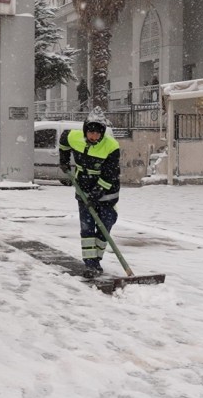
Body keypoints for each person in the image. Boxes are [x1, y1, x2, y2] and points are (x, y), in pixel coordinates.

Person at [58, 107, 121, 279]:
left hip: (107, 192)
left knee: (105, 224)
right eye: (90, 133)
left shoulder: (111, 146)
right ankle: (91, 265)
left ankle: (97, 259)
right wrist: (63, 159)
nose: (93, 137)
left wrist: (97, 193)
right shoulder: (75, 137)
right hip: (83, 190)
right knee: (87, 228)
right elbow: (64, 140)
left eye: (97, 134)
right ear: (85, 131)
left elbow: (110, 174)